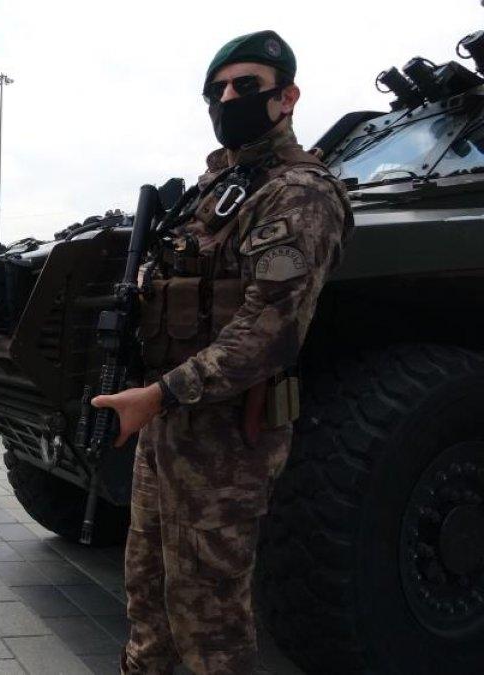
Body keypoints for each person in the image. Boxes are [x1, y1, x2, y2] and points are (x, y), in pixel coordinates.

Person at [88, 31, 352, 675]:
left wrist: (158, 394)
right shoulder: (215, 191)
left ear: (286, 97)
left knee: (208, 612)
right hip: (164, 422)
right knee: (148, 594)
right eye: (218, 90)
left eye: (246, 86)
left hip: (229, 435)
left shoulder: (299, 194)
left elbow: (270, 329)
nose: (228, 98)